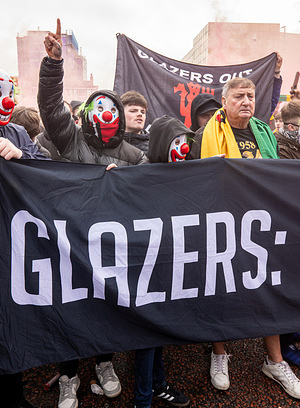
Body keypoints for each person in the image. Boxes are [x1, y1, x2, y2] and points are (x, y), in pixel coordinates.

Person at [38, 18, 148, 408]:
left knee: (104, 308)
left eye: (111, 109)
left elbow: (150, 194)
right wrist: (53, 64)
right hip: (67, 244)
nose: (106, 116)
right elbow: (50, 109)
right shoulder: (70, 139)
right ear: (87, 114)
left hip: (108, 247)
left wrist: (126, 182)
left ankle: (104, 363)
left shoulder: (134, 155)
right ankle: (69, 376)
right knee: (68, 309)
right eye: (99, 109)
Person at [188, 77, 300, 399]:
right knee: (221, 287)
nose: (247, 101)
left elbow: (279, 173)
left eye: (251, 95)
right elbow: (190, 180)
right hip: (222, 223)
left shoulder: (265, 133)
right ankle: (220, 353)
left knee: (268, 288)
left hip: (261, 222)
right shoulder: (204, 136)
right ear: (225, 101)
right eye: (239, 96)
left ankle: (275, 360)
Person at [133, 115, 193, 408]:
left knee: (158, 333)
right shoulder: (140, 173)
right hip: (145, 268)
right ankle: (143, 399)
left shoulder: (180, 172)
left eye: (186, 143)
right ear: (160, 143)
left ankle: (157, 385)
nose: (183, 149)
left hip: (169, 264)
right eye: (176, 142)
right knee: (146, 335)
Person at [0, 69, 48, 408]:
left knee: (10, 325)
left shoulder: (16, 132)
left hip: (12, 247)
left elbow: (47, 167)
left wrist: (23, 156)